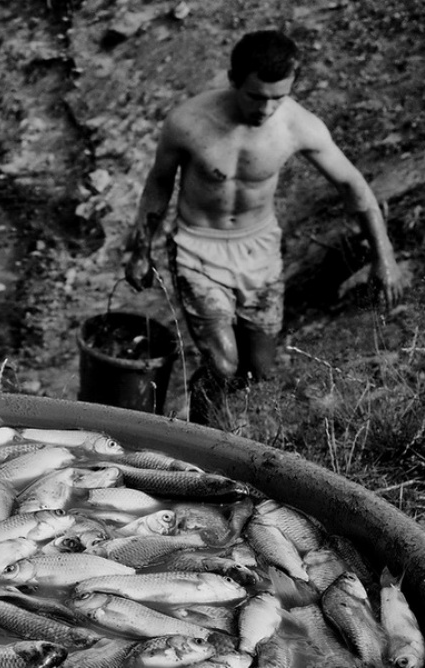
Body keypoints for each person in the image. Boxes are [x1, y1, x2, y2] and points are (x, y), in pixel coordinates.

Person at [123, 30, 403, 426]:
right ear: (233, 80)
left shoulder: (298, 126)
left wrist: (383, 256)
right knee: (223, 363)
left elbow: (352, 186)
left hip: (259, 248)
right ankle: (201, 437)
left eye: (278, 97)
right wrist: (141, 248)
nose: (266, 108)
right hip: (197, 246)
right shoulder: (188, 122)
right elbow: (159, 183)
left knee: (258, 370)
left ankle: (200, 406)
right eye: (256, 96)